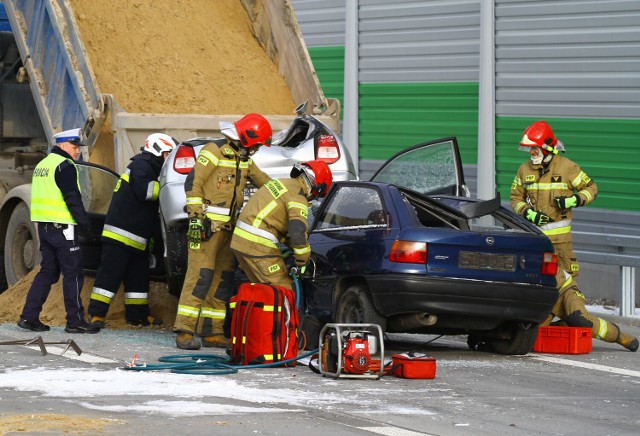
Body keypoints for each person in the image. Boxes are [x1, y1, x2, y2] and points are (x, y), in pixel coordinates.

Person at [173, 114, 273, 350]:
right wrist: (196, 217)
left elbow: (265, 183)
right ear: (248, 138)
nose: (258, 149)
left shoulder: (244, 159)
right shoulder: (214, 150)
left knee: (222, 279)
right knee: (200, 276)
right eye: (257, 144)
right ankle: (184, 330)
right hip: (206, 227)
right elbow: (193, 183)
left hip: (228, 229)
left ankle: (212, 332)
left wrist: (286, 193)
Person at [87, 133, 177, 329]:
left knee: (138, 280)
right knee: (108, 277)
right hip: (120, 235)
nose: (169, 158)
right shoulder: (141, 165)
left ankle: (137, 316)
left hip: (137, 238)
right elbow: (146, 192)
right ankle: (96, 315)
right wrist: (171, 188)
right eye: (168, 153)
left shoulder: (150, 168)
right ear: (158, 150)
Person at [18, 128, 99, 334]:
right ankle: (75, 321)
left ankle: (28, 317)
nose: (77, 152)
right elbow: (73, 199)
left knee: (48, 272)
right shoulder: (64, 166)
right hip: (64, 230)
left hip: (45, 228)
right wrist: (87, 229)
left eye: (78, 148)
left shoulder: (43, 164)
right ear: (62, 145)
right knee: (72, 275)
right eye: (74, 147)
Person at [510, 120, 597, 277]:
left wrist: (574, 200)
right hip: (537, 240)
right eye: (530, 149)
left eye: (535, 150)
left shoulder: (567, 168)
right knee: (544, 281)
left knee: (566, 283)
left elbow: (591, 189)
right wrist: (528, 213)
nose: (531, 153)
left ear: (546, 148)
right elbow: (516, 197)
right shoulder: (524, 170)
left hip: (560, 243)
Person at [230, 160, 333, 292]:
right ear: (316, 187)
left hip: (240, 243)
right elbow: (297, 231)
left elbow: (278, 225)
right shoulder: (298, 196)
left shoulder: (282, 183)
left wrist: (291, 247)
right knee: (283, 290)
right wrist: (303, 258)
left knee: (264, 292)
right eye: (315, 196)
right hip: (258, 246)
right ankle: (282, 313)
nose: (311, 199)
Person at [543, 269, 638, 352]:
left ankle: (620, 337)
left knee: (579, 319)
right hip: (543, 299)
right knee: (534, 337)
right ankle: (560, 326)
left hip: (563, 287)